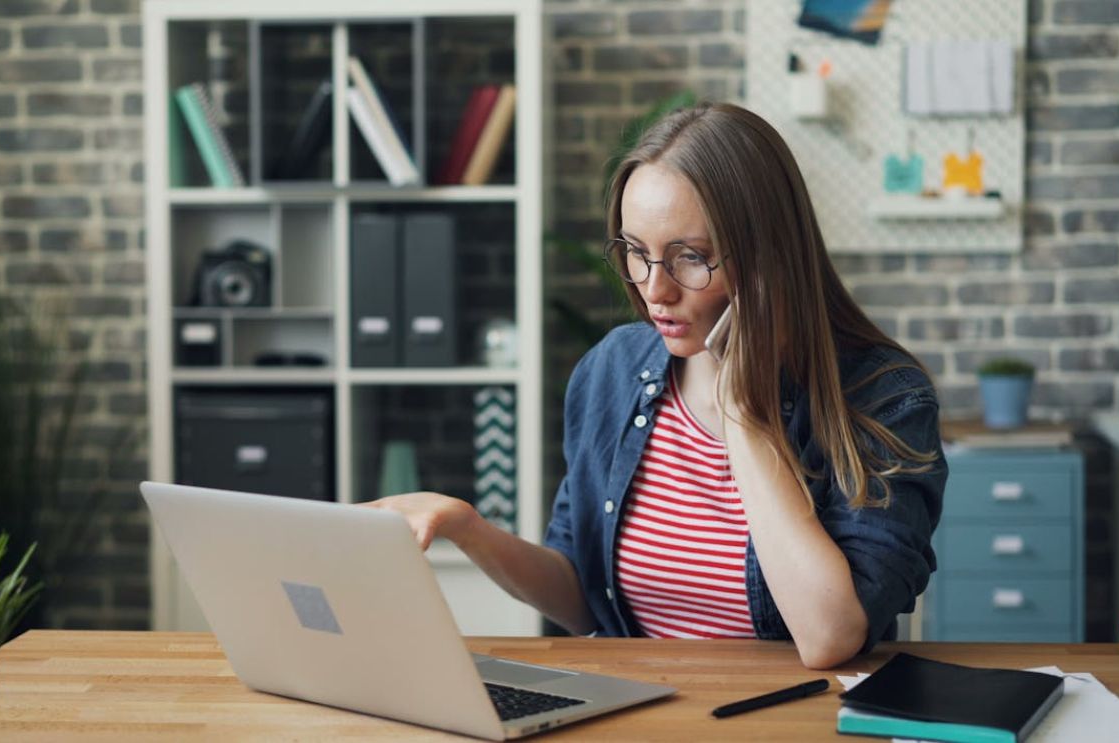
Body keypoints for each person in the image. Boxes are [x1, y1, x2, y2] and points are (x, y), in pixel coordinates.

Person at [368, 103, 947, 669]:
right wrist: (467, 528)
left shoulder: (881, 397)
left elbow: (830, 637)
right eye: (636, 254)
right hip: (647, 713)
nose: (654, 291)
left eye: (690, 258)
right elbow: (580, 595)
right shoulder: (613, 369)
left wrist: (742, 410)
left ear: (771, 258)